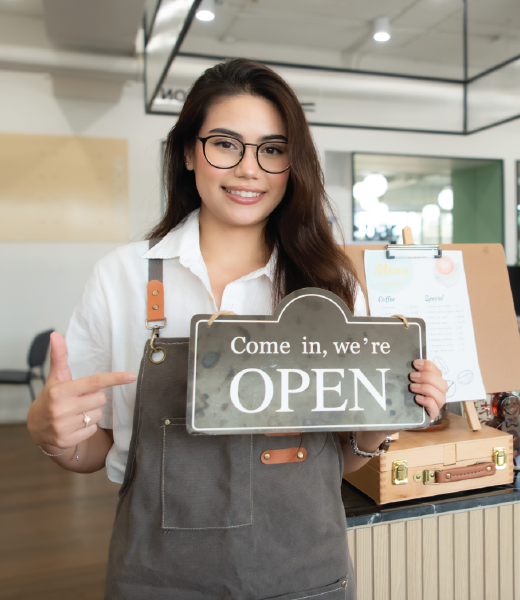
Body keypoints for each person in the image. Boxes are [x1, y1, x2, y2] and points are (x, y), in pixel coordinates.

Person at [25, 58, 448, 599]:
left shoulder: (331, 287)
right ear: (187, 152)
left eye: (272, 150)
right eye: (225, 144)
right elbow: (95, 450)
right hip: (156, 578)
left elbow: (332, 460)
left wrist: (388, 416)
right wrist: (50, 436)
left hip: (303, 577)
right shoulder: (122, 277)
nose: (250, 169)